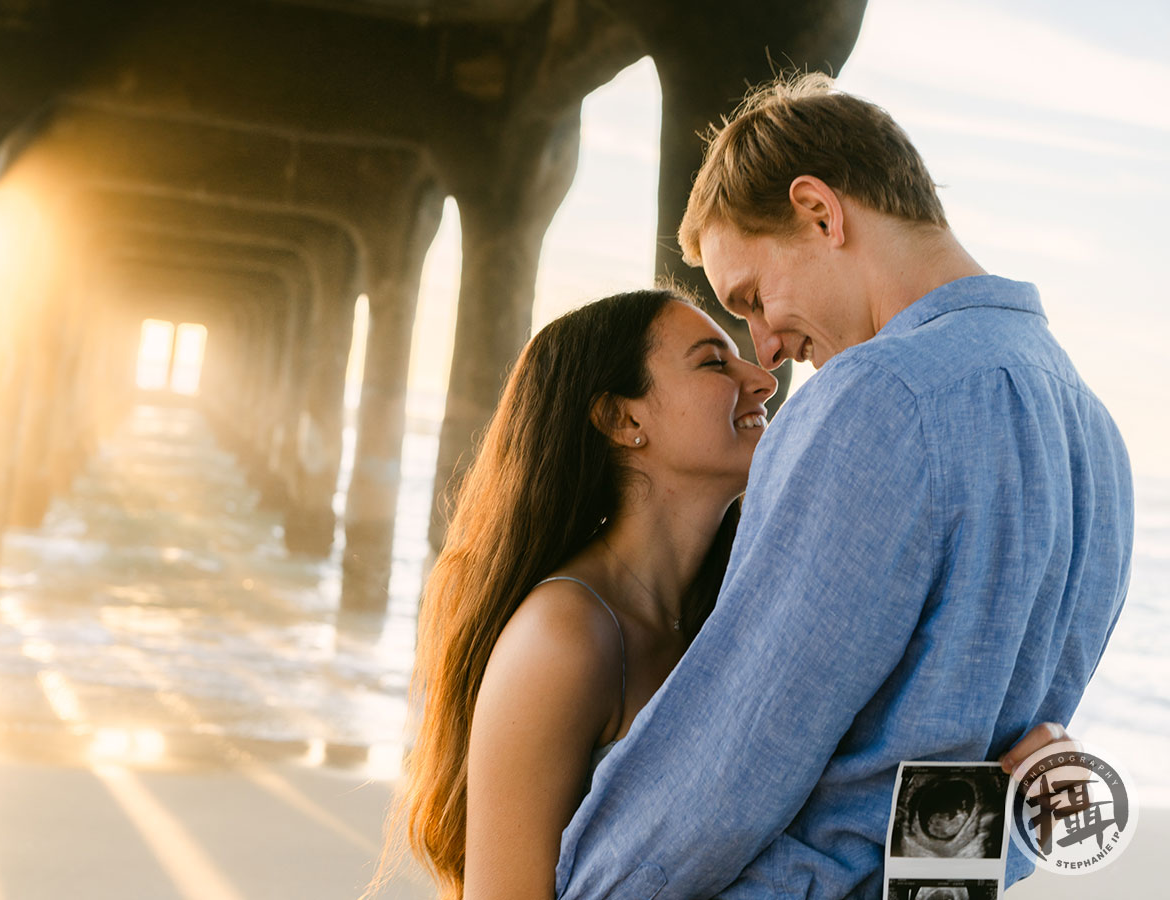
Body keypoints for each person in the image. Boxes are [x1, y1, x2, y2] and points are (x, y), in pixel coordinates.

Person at [552, 74, 1134, 899]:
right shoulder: (1096, 438)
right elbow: (981, 792)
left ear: (820, 212)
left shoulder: (875, 400)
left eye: (752, 297)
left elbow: (735, 754)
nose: (768, 347)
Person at [373, 289, 1077, 900]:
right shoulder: (563, 636)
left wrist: (1003, 810)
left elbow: (842, 849)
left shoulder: (747, 613)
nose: (764, 377)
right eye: (714, 362)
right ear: (623, 421)